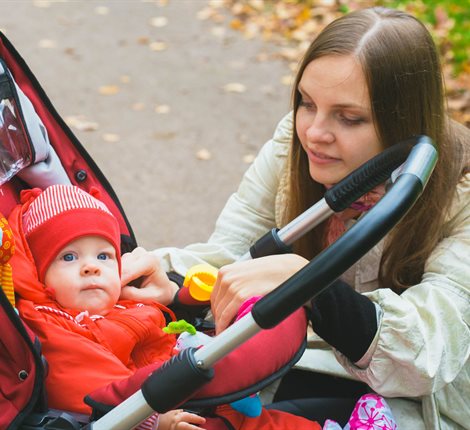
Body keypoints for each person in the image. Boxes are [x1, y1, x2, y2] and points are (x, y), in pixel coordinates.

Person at [121, 7, 470, 430]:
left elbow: (424, 354)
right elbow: (233, 257)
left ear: (404, 124)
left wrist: (308, 284)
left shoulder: (460, 192)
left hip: (413, 400)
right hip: (294, 362)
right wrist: (171, 279)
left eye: (349, 117)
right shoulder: (295, 142)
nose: (315, 132)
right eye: (307, 103)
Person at [9, 184, 325, 430]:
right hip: (153, 408)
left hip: (193, 392)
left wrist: (186, 299)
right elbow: (84, 384)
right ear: (39, 272)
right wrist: (151, 419)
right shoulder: (50, 324)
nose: (91, 267)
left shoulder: (120, 302)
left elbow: (163, 323)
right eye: (69, 257)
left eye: (104, 256)